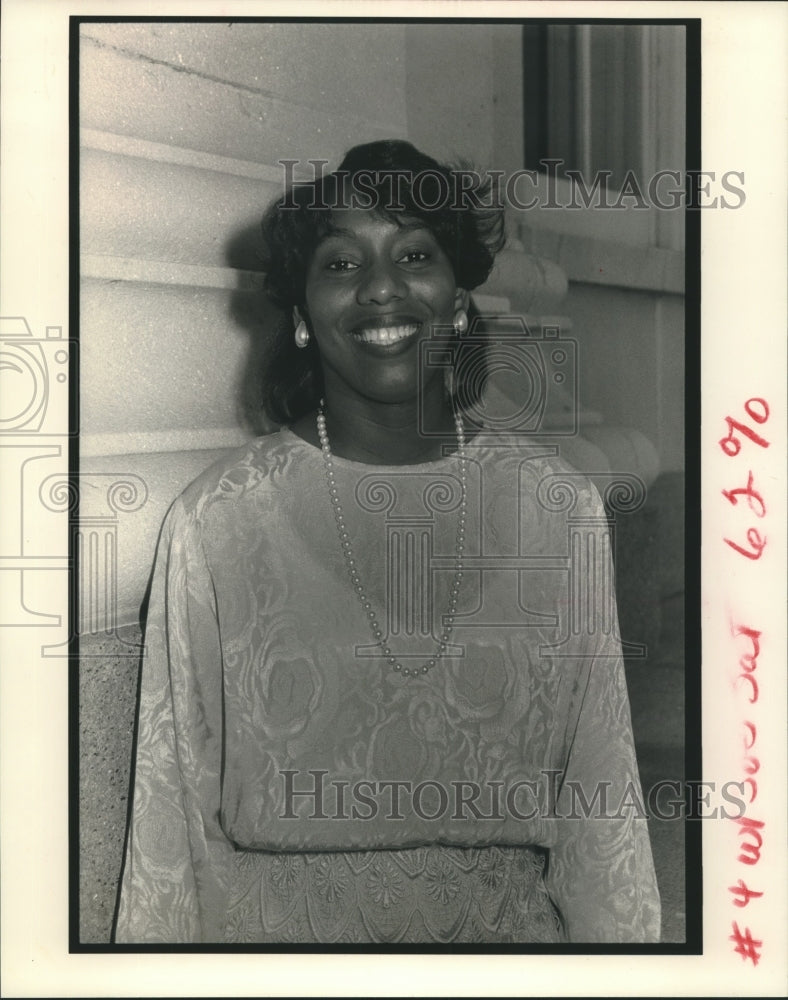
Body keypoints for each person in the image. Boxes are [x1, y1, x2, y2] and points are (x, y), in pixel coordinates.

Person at [114, 140, 660, 944]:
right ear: (300, 316)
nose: (380, 289)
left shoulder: (559, 508)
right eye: (341, 265)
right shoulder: (218, 520)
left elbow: (601, 794)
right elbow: (170, 818)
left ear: (461, 298)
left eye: (414, 254)